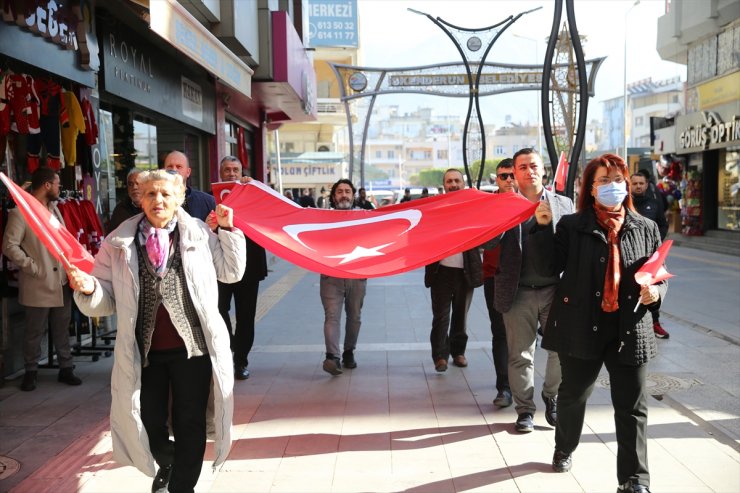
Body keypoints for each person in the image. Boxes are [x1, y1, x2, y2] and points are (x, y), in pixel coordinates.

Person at [66, 170, 246, 493]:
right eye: (150, 194)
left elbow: (231, 272)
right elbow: (104, 300)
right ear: (140, 199)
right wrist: (90, 287)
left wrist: (230, 229)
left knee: (189, 422)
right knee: (147, 422)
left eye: (165, 194)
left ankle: (181, 487)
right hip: (145, 353)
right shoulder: (118, 242)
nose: (158, 200)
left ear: (179, 198)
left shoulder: (200, 234)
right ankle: (170, 459)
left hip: (194, 350)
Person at [543, 153, 666, 493]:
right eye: (603, 181)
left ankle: (634, 479)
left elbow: (659, 275)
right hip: (582, 324)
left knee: (632, 408)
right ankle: (564, 447)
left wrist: (656, 293)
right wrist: (541, 227)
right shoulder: (572, 225)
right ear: (590, 189)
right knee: (573, 395)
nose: (612, 187)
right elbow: (550, 266)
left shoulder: (646, 227)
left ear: (627, 185)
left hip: (630, 327)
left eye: (617, 180)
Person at [493, 148, 574, 432]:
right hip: (517, 292)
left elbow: (572, 248)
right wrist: (501, 216)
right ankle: (525, 410)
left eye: (534, 165)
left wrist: (547, 225)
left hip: (555, 289)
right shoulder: (504, 206)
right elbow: (487, 245)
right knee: (520, 355)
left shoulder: (563, 204)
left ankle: (551, 397)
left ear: (544, 170)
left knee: (559, 351)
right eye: (523, 167)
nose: (529, 171)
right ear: (514, 173)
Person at [2, 167, 82, 391]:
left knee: (61, 328)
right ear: (46, 185)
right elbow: (9, 246)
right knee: (33, 331)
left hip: (61, 282)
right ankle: (31, 371)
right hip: (38, 282)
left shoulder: (55, 210)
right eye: (57, 184)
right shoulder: (20, 213)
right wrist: (33, 267)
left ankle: (66, 368)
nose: (59, 189)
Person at [212, 156, 268, 380]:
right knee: (218, 310)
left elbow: (269, 212)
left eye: (236, 170)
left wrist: (254, 188)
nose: (232, 174)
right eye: (227, 170)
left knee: (246, 317)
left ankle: (240, 361)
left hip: (250, 266)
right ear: (220, 172)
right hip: (222, 264)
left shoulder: (254, 194)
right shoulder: (213, 197)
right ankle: (230, 345)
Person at [425, 169, 483, 372]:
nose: (453, 184)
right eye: (449, 181)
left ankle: (458, 352)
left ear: (463, 184)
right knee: (441, 316)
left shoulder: (474, 207)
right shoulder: (435, 208)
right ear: (444, 185)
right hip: (441, 272)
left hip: (465, 272)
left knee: (461, 315)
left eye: (457, 180)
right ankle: (440, 356)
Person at [320, 179, 368, 375]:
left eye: (348, 191)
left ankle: (349, 351)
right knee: (332, 317)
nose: (344, 195)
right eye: (340, 191)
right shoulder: (321, 219)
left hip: (357, 276)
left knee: (354, 317)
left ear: (353, 195)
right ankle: (333, 357)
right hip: (331, 277)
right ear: (333, 196)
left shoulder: (364, 218)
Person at [483, 159, 515, 407]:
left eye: (513, 175)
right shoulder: (489, 205)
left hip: (528, 280)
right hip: (495, 276)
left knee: (524, 336)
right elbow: (485, 242)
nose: (509, 180)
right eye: (503, 176)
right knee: (500, 332)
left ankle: (522, 382)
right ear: (497, 178)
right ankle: (504, 387)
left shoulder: (536, 203)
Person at [631, 173, 670, 339]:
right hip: (631, 255)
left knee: (653, 289)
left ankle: (655, 323)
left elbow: (662, 224)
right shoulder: (626, 204)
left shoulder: (654, 204)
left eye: (641, 183)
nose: (638, 186)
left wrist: (655, 241)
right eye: (635, 183)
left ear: (647, 185)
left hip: (650, 256)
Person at [163, 150, 216, 221]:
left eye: (179, 167)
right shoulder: (156, 201)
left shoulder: (208, 202)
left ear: (188, 172)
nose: (174, 170)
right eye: (170, 166)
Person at [108, 167, 143, 234]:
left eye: (138, 183)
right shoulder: (120, 210)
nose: (134, 187)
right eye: (130, 184)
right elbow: (111, 237)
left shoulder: (153, 207)